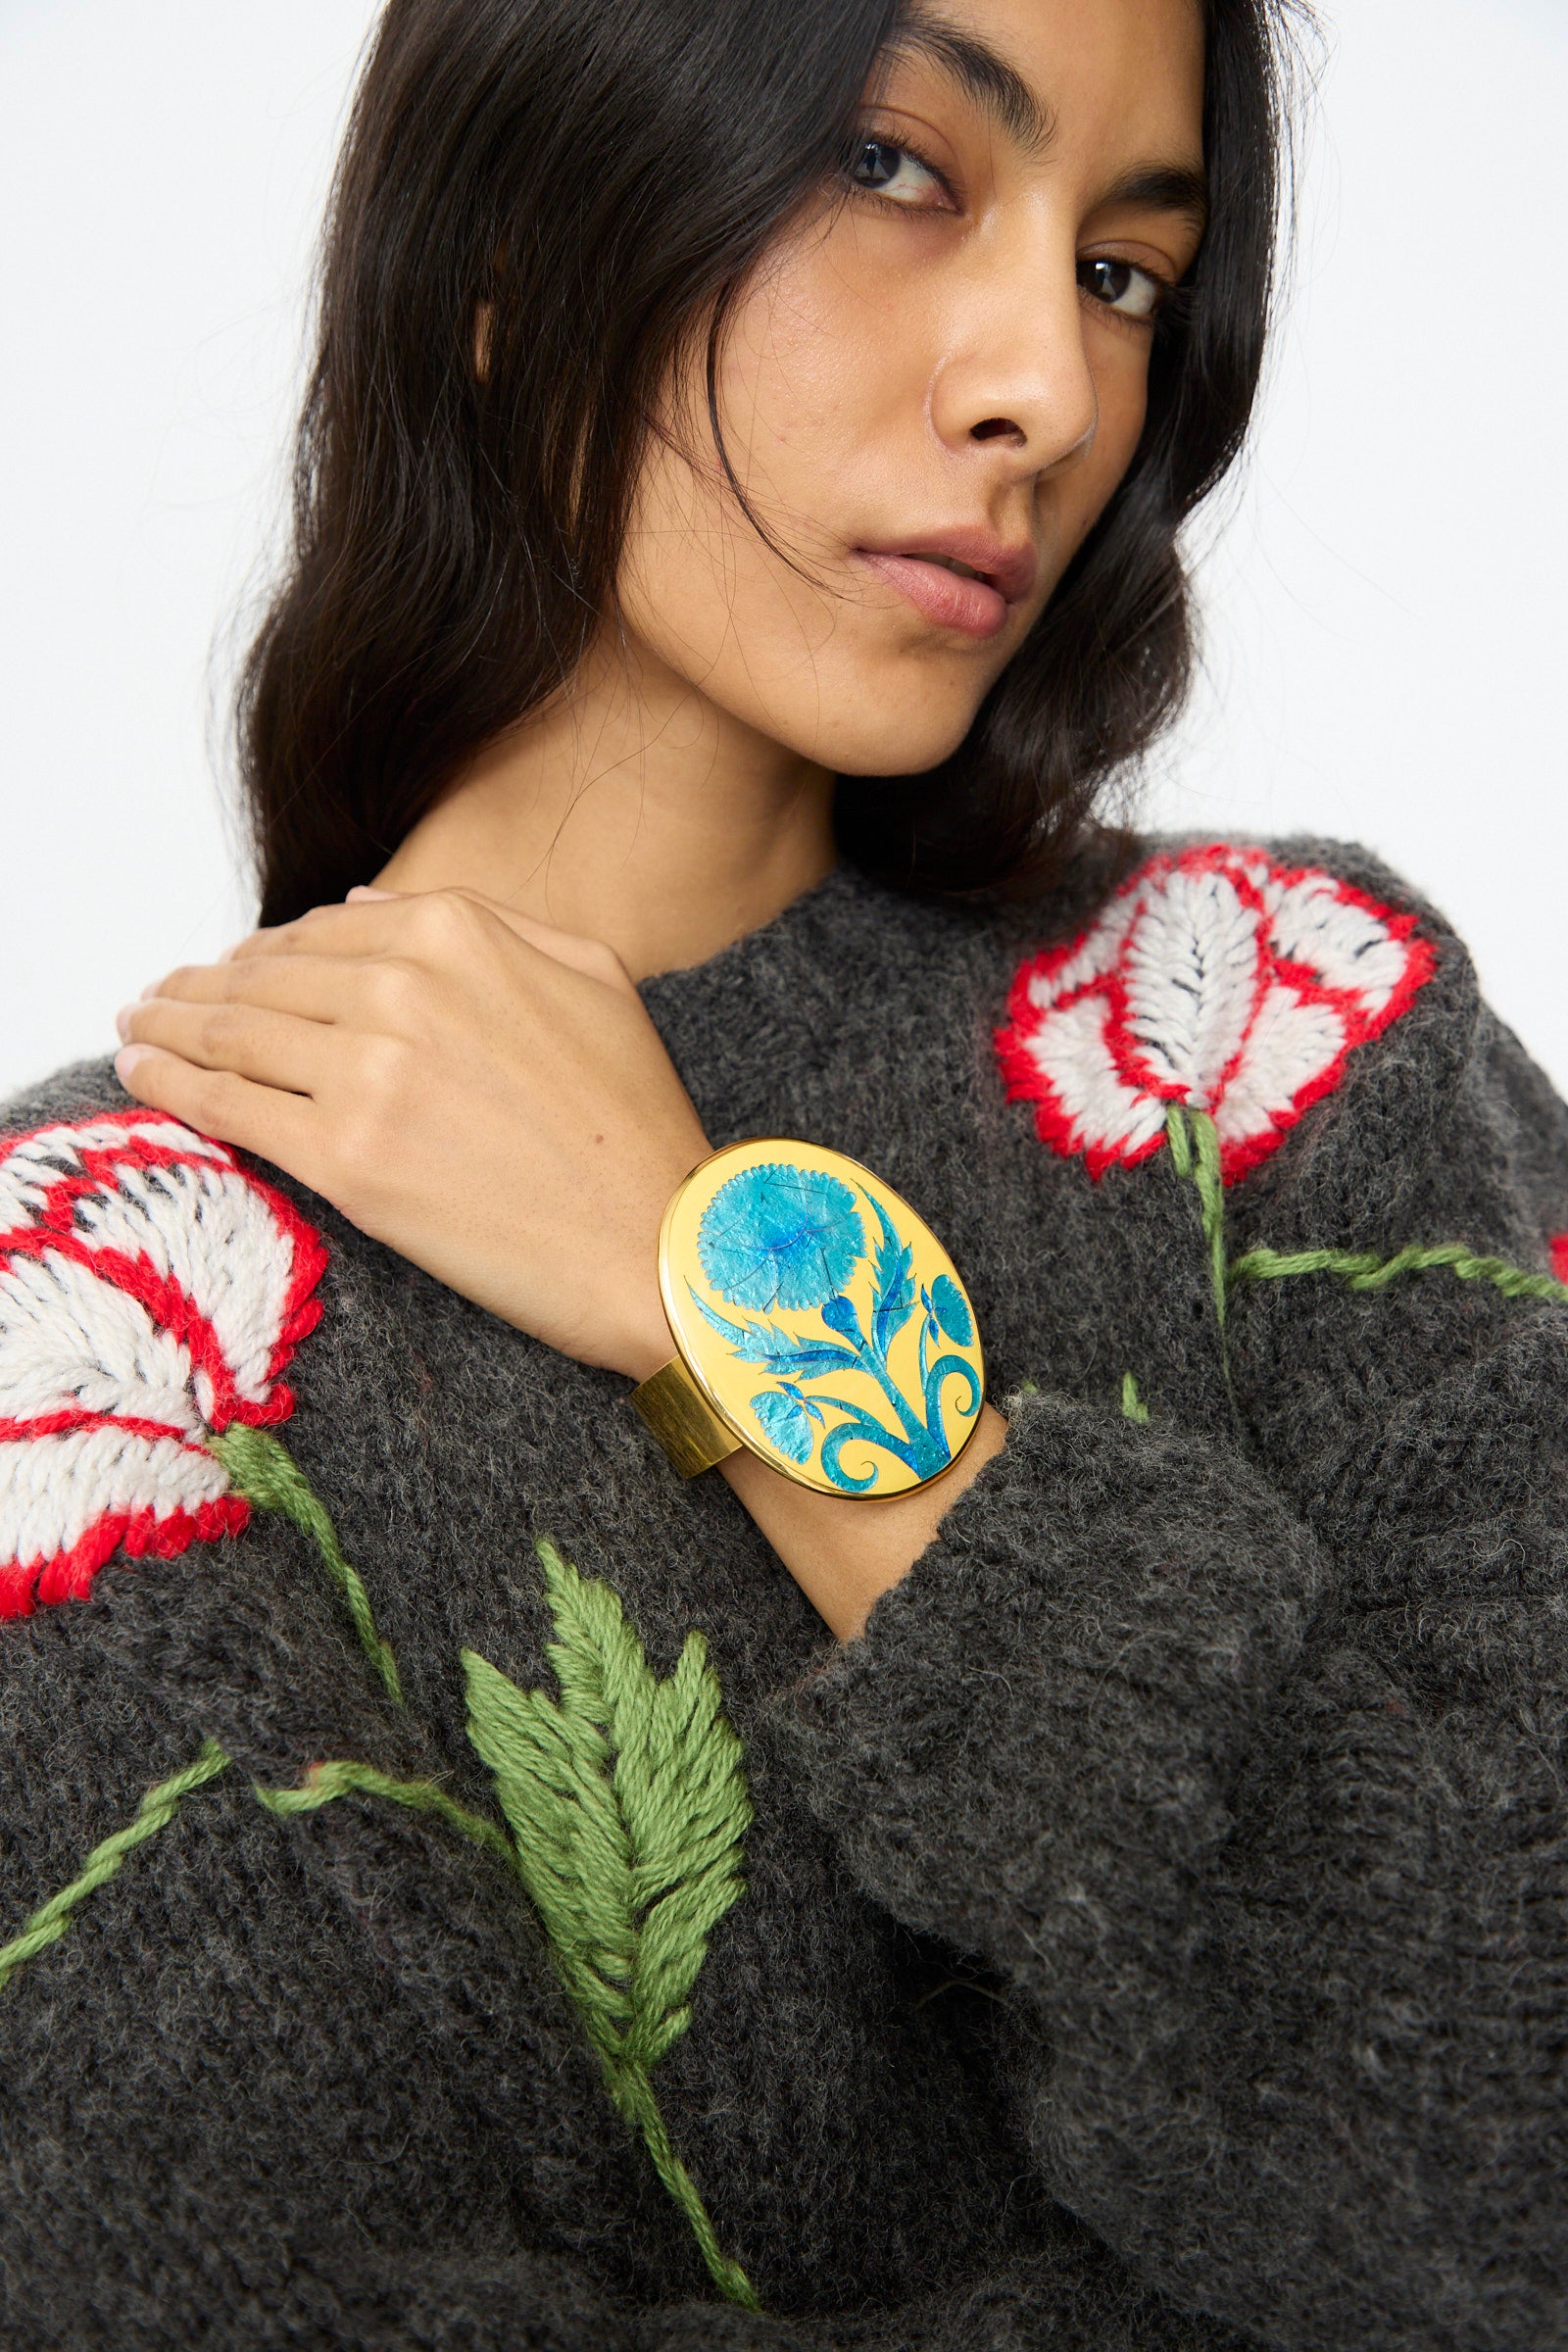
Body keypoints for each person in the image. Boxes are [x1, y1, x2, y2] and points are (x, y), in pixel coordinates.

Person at [2, 0, 1564, 2343]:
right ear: (516, 222)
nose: (1041, 383)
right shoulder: (91, 1327)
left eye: (1126, 273)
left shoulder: (1281, 1032)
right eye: (897, 167)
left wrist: (709, 1279)